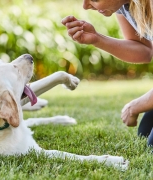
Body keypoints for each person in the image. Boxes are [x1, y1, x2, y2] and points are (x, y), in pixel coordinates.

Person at [61, 0, 153, 145]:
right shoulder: (123, 5)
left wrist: (135, 106)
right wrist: (97, 39)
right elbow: (145, 50)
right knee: (145, 132)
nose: (86, 6)